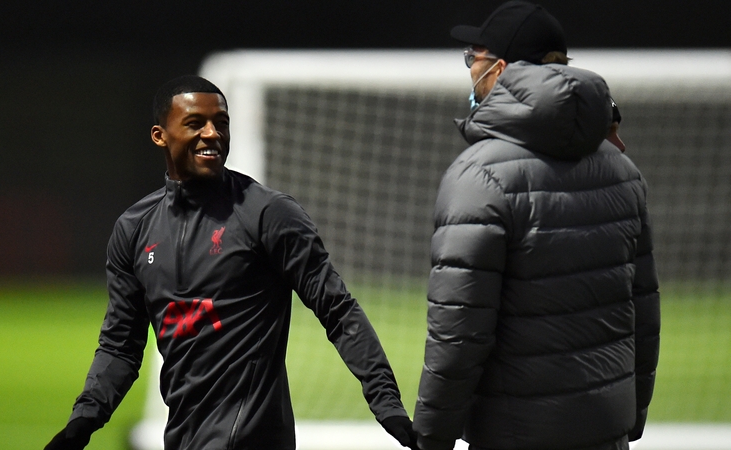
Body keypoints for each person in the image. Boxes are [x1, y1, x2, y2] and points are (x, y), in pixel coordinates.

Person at [45, 75, 416, 450]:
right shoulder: (134, 229)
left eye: (221, 123)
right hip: (184, 438)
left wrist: (386, 403)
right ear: (160, 135)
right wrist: (84, 421)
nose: (212, 134)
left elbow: (338, 310)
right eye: (195, 123)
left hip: (254, 439)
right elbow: (120, 346)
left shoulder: (267, 214)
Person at [412, 2, 660, 450]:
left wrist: (432, 438)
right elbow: (642, 310)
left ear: (501, 69)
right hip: (607, 431)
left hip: (515, 434)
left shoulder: (478, 176)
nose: (470, 70)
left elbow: (461, 330)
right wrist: (631, 416)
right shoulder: (623, 170)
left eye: (475, 58)